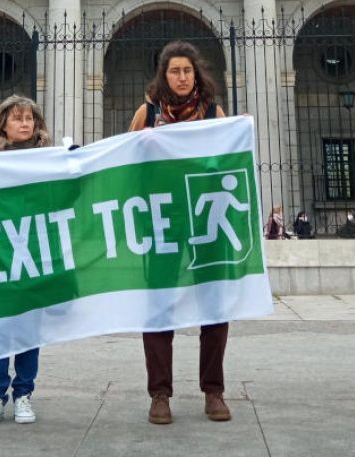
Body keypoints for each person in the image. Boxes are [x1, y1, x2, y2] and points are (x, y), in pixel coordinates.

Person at [128, 39, 230, 426]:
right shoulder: (148, 111)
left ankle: (213, 390)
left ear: (196, 74)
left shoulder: (213, 113)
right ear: (164, 74)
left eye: (187, 70)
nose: (182, 77)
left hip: (205, 219)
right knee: (158, 307)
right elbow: (127, 162)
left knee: (214, 306)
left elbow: (225, 162)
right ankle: (159, 393)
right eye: (175, 71)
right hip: (161, 220)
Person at [0, 95, 51, 427]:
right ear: (3, 122)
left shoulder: (49, 158)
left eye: (30, 118)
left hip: (34, 249)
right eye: (18, 118)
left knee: (29, 329)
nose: (25, 123)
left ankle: (23, 393)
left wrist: (76, 166)